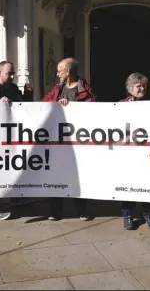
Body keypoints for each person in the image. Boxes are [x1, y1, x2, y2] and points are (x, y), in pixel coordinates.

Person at [42, 57, 97, 221]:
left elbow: (93, 105)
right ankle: (55, 210)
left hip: (78, 140)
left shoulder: (84, 89)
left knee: (78, 175)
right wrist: (57, 102)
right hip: (59, 140)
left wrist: (72, 105)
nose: (57, 73)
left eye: (60, 70)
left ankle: (81, 209)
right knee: (56, 173)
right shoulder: (58, 88)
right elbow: (45, 102)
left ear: (68, 72)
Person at [0, 61, 33, 220]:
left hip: (11, 135)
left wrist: (28, 94)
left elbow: (23, 106)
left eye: (13, 73)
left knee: (12, 165)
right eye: (9, 73)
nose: (12, 76)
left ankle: (15, 196)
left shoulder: (14, 88)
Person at [120, 72, 150, 230]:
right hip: (128, 151)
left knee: (146, 181)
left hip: (146, 152)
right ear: (130, 88)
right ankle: (128, 213)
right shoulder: (121, 104)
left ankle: (148, 212)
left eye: (144, 86)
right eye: (138, 86)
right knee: (128, 181)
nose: (142, 88)